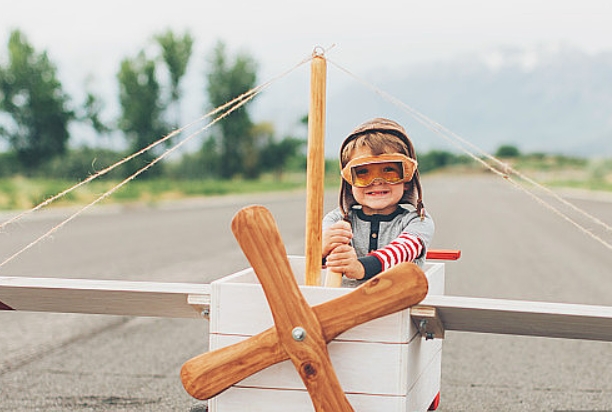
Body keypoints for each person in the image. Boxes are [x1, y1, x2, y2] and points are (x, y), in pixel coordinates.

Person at [322, 118, 434, 286]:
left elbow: (402, 251)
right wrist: (321, 249)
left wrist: (361, 267)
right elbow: (319, 265)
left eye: (389, 170)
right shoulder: (335, 220)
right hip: (343, 303)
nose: (377, 181)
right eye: (363, 172)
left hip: (397, 303)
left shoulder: (419, 221)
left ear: (408, 180)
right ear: (349, 182)